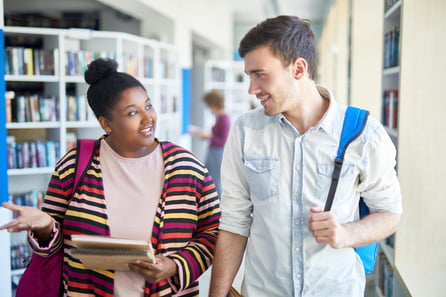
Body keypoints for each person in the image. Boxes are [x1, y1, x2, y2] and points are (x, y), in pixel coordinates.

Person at [209, 15, 402, 297]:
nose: (252, 89)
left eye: (260, 74)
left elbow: (390, 212)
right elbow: (234, 223)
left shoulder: (365, 135)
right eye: (249, 76)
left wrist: (347, 234)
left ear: (298, 68)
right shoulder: (246, 131)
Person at [0, 58, 221, 297]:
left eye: (148, 106)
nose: (148, 118)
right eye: (132, 112)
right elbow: (55, 244)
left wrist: (175, 265)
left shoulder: (187, 168)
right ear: (106, 123)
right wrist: (45, 227)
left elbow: (213, 231)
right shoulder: (74, 166)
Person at [189, 90, 230, 196]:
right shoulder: (219, 118)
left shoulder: (224, 119)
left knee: (215, 181)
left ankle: (218, 207)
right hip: (213, 151)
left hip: (217, 153)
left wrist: (208, 136)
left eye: (209, 105)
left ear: (214, 104)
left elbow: (222, 141)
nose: (208, 108)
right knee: (207, 177)